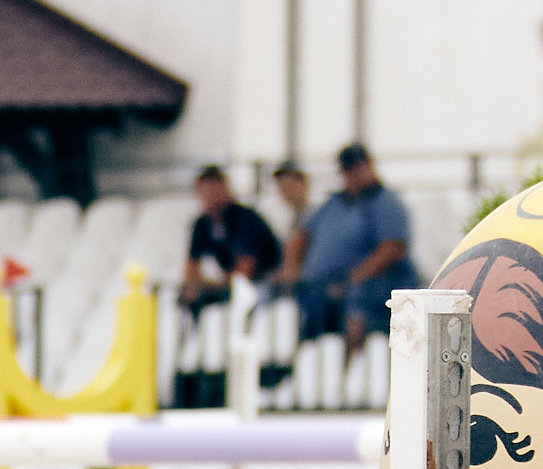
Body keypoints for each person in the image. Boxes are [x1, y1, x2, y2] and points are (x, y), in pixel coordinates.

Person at [296, 144, 418, 355]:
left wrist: (352, 278)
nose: (351, 176)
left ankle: (353, 364)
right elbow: (303, 233)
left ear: (367, 167)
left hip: (371, 286)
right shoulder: (335, 202)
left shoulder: (386, 203)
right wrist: (294, 268)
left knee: (356, 304)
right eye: (347, 171)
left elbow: (392, 249)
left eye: (356, 169)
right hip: (323, 287)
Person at [179, 165, 281, 313]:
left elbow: (245, 270)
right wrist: (198, 286)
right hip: (231, 290)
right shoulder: (203, 224)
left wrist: (212, 285)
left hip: (264, 290)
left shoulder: (246, 219)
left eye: (214, 193)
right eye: (205, 195)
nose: (210, 200)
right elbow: (191, 270)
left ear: (226, 189)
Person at [271, 162, 313, 284]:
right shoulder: (291, 219)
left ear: (303, 184)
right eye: (281, 186)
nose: (285, 191)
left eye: (289, 186)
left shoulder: (313, 216)